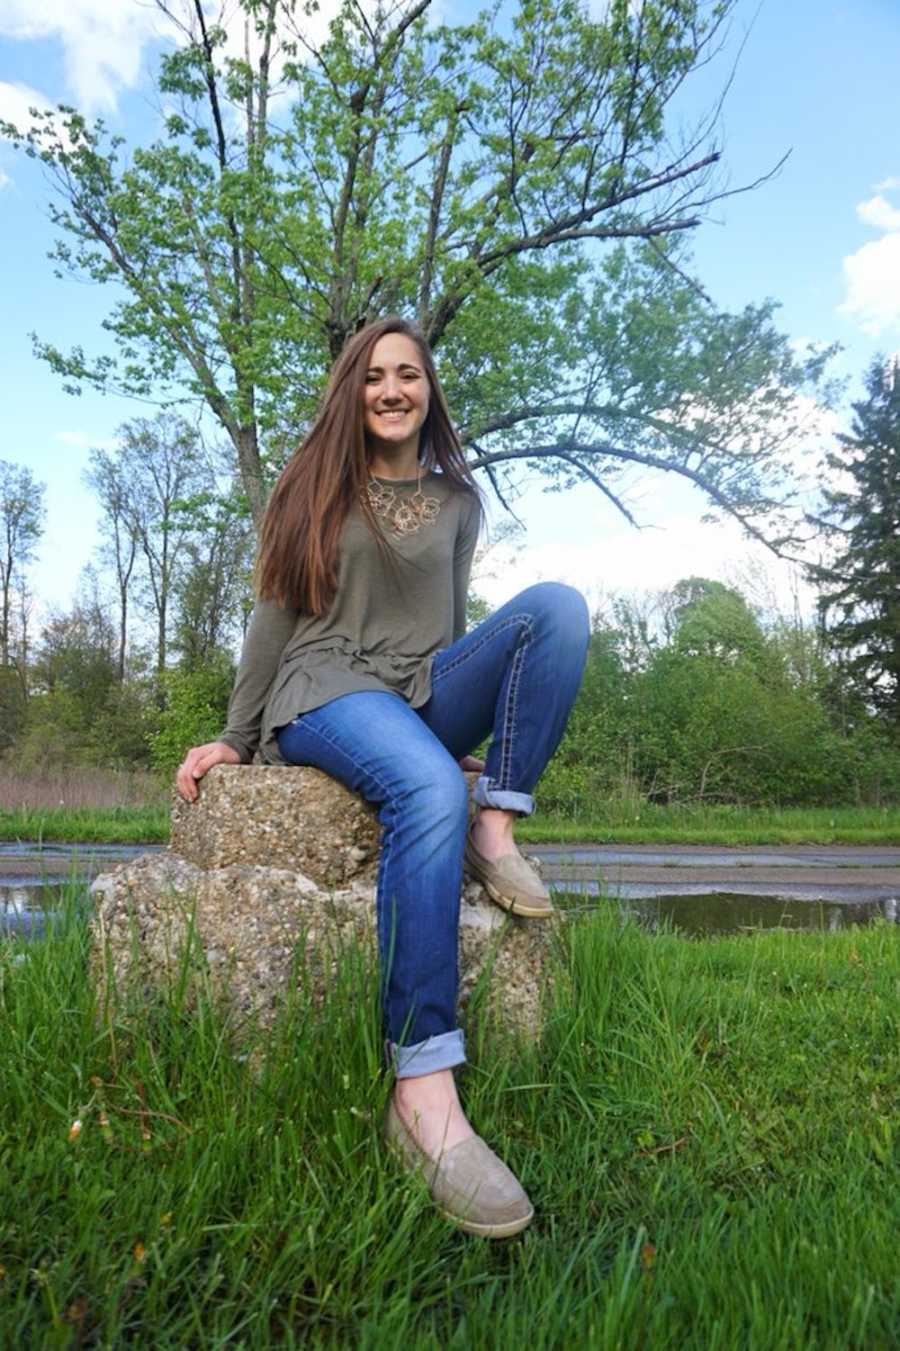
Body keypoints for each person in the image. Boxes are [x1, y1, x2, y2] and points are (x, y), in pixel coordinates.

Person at [176, 316, 589, 1238]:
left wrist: (456, 731)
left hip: (418, 690)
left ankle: (498, 826)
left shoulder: (459, 503)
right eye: (374, 377)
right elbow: (274, 619)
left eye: (409, 374)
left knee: (556, 610)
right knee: (426, 788)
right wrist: (237, 737)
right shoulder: (313, 484)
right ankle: (425, 1093)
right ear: (352, 393)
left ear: (430, 389)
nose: (392, 389)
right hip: (327, 684)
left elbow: (449, 624)